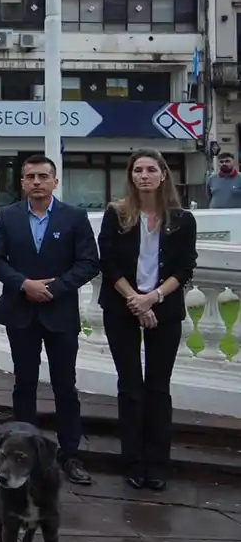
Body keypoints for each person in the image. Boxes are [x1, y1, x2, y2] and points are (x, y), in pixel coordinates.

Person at [0, 153, 101, 485]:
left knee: (65, 385)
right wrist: (24, 284)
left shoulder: (74, 217)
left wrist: (56, 288)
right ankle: (23, 454)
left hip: (59, 312)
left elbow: (89, 262)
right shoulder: (8, 217)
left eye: (42, 176)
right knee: (24, 384)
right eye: (30, 177)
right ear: (22, 182)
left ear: (55, 180)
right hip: (20, 312)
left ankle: (69, 454)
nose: (36, 182)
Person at [97, 149, 197, 492]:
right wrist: (135, 301)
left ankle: (157, 464)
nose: (143, 175)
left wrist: (153, 298)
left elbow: (185, 268)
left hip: (164, 308)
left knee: (157, 386)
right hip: (122, 305)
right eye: (137, 169)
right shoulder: (117, 214)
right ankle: (133, 462)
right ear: (131, 175)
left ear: (163, 174)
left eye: (150, 169)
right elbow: (108, 263)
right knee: (130, 385)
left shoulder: (182, 219)